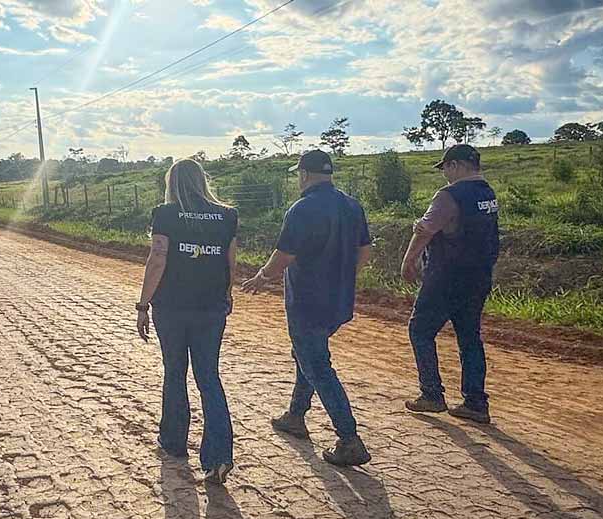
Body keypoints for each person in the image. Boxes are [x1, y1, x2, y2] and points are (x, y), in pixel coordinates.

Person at [242, 150, 372, 467]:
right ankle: (296, 415)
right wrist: (340, 276)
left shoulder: (302, 209)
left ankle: (349, 439)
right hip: (338, 300)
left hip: (307, 301)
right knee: (307, 355)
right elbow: (365, 252)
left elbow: (283, 256)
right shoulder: (351, 205)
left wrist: (261, 278)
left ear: (303, 174)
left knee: (317, 365)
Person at [136, 158, 239, 485]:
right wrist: (227, 293)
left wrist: (142, 304)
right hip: (211, 307)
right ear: (202, 181)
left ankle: (174, 441)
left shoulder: (165, 213)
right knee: (209, 376)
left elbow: (158, 259)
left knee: (175, 372)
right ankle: (219, 456)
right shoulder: (226, 215)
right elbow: (230, 261)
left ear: (172, 183)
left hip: (172, 307)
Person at [400, 144, 499, 424]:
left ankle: (431, 394)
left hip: (446, 276)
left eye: (445, 167)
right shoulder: (487, 194)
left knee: (420, 330)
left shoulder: (449, 196)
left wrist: (409, 261)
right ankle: (476, 402)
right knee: (469, 337)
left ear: (455, 165)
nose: (444, 174)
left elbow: (425, 231)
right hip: (478, 276)